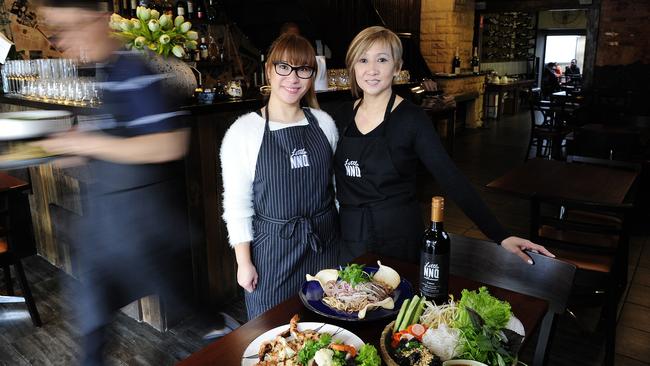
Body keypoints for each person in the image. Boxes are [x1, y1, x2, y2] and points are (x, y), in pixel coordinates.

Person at [36, 1, 192, 364]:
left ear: (102, 21)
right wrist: (80, 149)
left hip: (142, 229)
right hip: (110, 228)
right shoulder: (105, 71)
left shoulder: (135, 69)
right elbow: (122, 138)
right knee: (93, 327)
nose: (68, 41)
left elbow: (170, 143)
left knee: (192, 314)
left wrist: (90, 143)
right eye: (60, 33)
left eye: (75, 27)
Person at [333, 26, 554, 264]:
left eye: (382, 60)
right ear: (353, 66)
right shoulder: (340, 116)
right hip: (349, 237)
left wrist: (500, 235)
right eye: (363, 60)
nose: (372, 70)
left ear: (397, 67)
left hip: (397, 238)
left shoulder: (411, 119)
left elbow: (451, 178)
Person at [220, 33, 339, 320]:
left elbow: (335, 190)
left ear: (312, 75)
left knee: (325, 328)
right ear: (269, 71)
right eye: (284, 67)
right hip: (273, 252)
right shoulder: (243, 132)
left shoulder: (324, 123)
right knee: (270, 332)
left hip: (324, 245)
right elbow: (237, 206)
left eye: (303, 69)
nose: (293, 78)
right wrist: (244, 263)